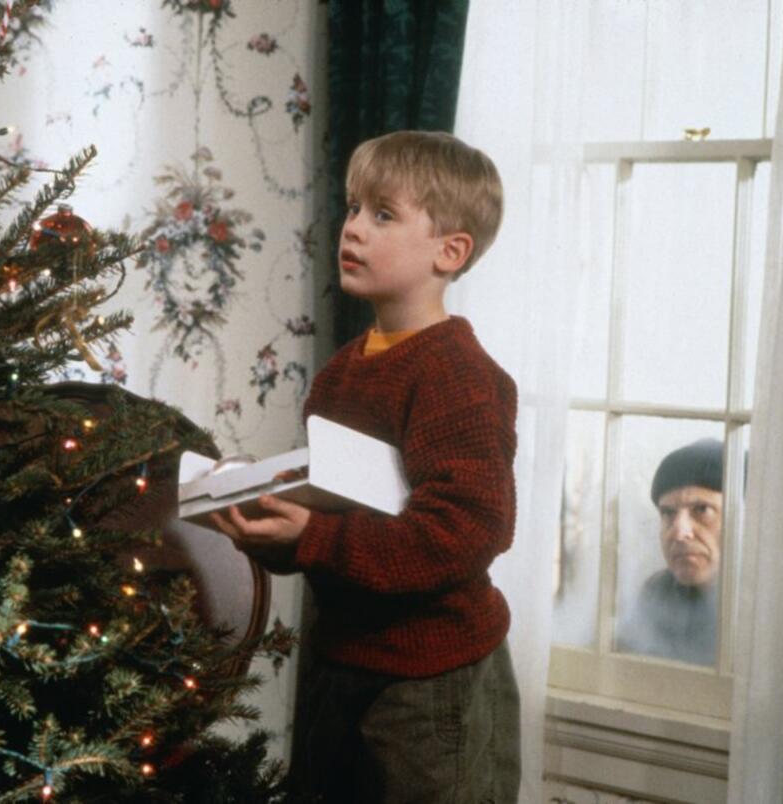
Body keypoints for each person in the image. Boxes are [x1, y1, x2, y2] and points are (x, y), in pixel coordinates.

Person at [211, 131, 520, 803]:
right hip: (339, 668)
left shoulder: (459, 377)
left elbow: (464, 534)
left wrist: (313, 538)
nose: (352, 229)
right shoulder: (339, 375)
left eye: (383, 214)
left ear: (451, 250)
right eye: (353, 208)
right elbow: (341, 525)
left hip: (431, 684)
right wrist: (275, 533)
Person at [616, 438, 724, 666]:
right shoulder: (657, 590)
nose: (679, 532)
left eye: (701, 510)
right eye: (668, 513)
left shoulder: (763, 605)